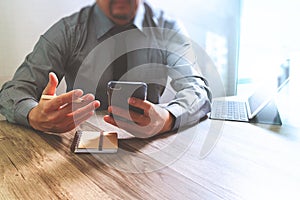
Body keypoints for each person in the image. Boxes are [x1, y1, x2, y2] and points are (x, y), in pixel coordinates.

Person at [0, 0, 211, 138]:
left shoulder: (167, 29)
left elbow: (198, 92)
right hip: (77, 155)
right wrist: (33, 115)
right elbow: (12, 92)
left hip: (149, 151)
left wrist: (167, 118)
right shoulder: (68, 31)